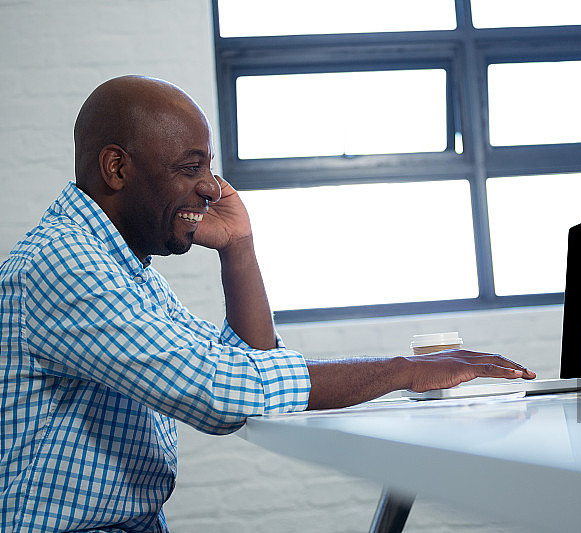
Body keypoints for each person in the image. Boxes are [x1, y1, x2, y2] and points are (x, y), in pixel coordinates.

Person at [0, 75, 536, 532]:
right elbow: (220, 390)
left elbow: (248, 363)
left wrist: (238, 248)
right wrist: (406, 371)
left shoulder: (124, 272)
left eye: (207, 167)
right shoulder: (64, 264)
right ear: (116, 168)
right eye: (189, 168)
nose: (211, 188)